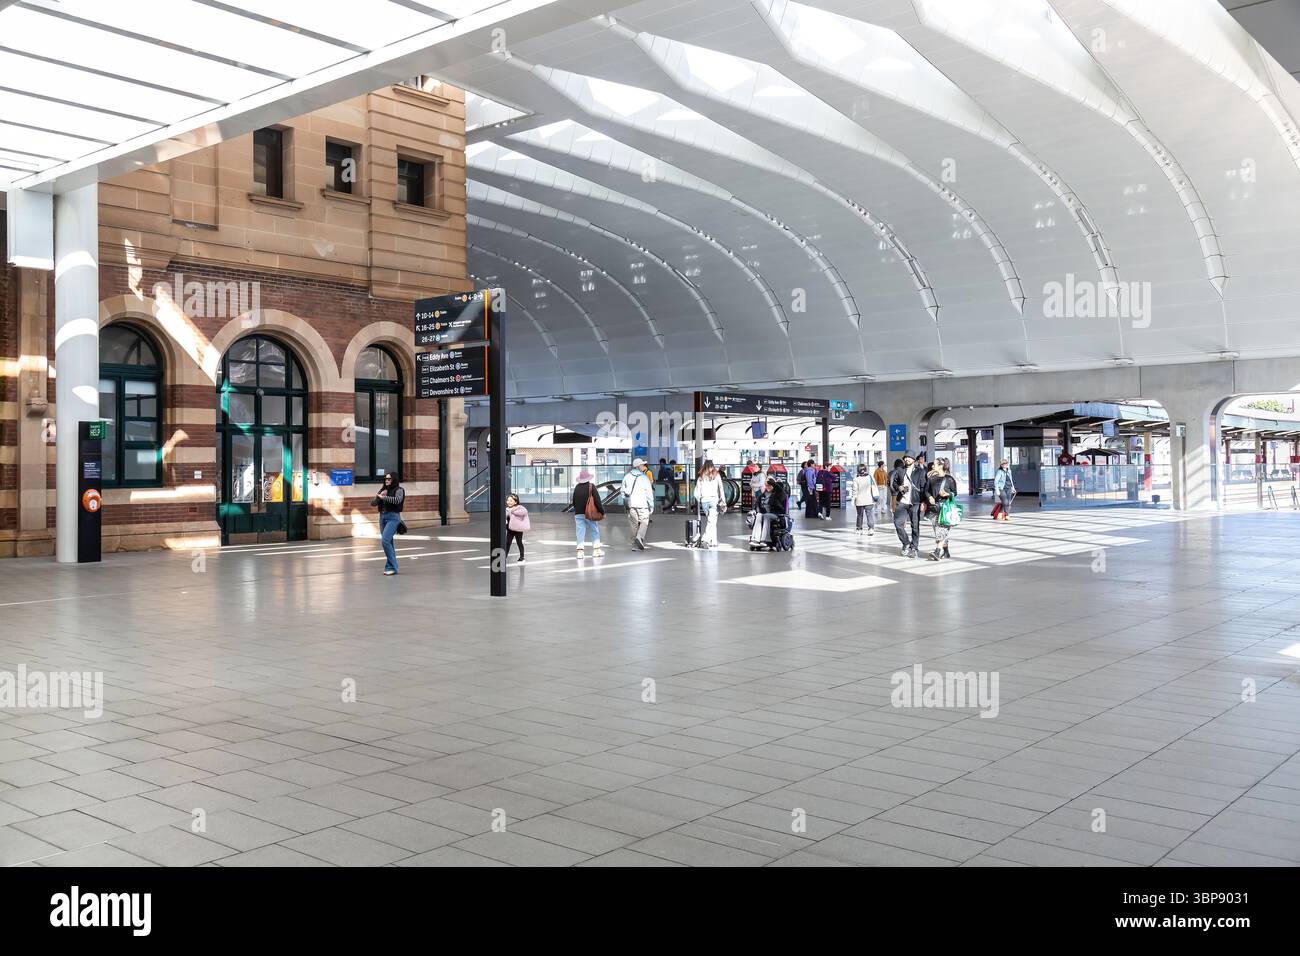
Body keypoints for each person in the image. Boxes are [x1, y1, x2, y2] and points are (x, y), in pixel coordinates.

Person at [370, 471, 404, 576]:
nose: (387, 481)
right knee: (389, 542)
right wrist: (378, 496)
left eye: (389, 479)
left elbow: (398, 500)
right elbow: (372, 504)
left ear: (394, 479)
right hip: (383, 517)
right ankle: (390, 567)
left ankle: (393, 567)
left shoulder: (399, 490)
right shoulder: (383, 490)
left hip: (393, 518)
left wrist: (384, 497)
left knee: (385, 540)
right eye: (386, 479)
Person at [925, 460, 959, 560]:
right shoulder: (932, 478)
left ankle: (937, 551)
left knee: (942, 530)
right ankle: (946, 552)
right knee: (938, 531)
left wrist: (948, 494)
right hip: (934, 508)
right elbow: (926, 491)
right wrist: (930, 497)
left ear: (940, 466)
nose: (932, 466)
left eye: (934, 464)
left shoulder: (950, 479)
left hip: (946, 508)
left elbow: (955, 493)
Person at [620, 458, 655, 549]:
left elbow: (622, 491)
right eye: (643, 465)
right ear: (639, 466)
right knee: (644, 521)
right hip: (642, 504)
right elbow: (649, 493)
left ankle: (634, 545)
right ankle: (639, 538)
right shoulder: (644, 478)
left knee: (634, 524)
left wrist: (626, 501)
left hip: (631, 505)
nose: (644, 466)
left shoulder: (627, 476)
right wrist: (651, 505)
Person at [572, 469, 605, 559]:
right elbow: (597, 501)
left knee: (580, 532)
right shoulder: (591, 486)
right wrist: (602, 511)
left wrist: (577, 510)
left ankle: (580, 552)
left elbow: (573, 501)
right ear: (588, 478)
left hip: (578, 513)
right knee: (594, 530)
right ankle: (596, 550)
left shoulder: (577, 487)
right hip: (590, 513)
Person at [890, 456, 918, 557]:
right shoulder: (900, 470)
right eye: (905, 458)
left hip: (915, 502)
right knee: (898, 523)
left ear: (913, 460)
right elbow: (894, 483)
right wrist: (899, 487)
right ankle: (906, 543)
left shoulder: (919, 471)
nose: (906, 459)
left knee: (915, 526)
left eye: (909, 458)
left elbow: (923, 486)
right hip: (902, 501)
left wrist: (924, 501)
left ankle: (914, 547)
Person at [694, 459, 726, 547]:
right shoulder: (717, 475)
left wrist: (699, 499)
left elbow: (697, 491)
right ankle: (705, 539)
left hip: (704, 501)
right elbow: (721, 488)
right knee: (711, 521)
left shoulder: (701, 476)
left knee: (712, 520)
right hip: (714, 500)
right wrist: (723, 500)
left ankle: (714, 541)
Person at [750, 476, 788, 547]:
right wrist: (757, 511)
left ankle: (765, 540)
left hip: (777, 514)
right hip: (765, 513)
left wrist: (772, 483)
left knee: (766, 516)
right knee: (758, 515)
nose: (768, 487)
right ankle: (755, 539)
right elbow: (757, 505)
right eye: (766, 485)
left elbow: (780, 490)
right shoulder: (763, 495)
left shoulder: (778, 494)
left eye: (770, 485)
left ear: (774, 485)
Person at [849, 463, 879, 535]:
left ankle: (859, 529)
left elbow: (854, 490)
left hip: (859, 501)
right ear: (865, 469)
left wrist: (853, 499)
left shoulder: (856, 479)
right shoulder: (870, 477)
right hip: (869, 500)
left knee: (860, 515)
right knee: (869, 515)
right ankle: (871, 529)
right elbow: (874, 486)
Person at [505, 493, 529, 564]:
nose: (508, 502)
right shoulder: (506, 509)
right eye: (508, 500)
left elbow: (524, 512)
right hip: (510, 529)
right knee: (507, 543)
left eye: (511, 501)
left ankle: (522, 557)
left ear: (515, 502)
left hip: (518, 529)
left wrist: (512, 511)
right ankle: (504, 558)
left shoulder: (520, 508)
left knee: (519, 542)